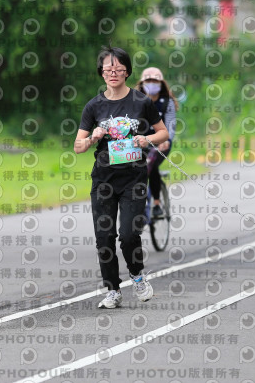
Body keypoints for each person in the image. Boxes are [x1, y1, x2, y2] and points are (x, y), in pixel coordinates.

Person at [74, 46, 169, 308]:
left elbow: (163, 133)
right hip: (103, 179)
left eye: (118, 69)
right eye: (108, 69)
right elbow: (78, 146)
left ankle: (137, 276)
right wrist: (93, 136)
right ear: (101, 73)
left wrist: (146, 138)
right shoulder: (94, 106)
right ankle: (112, 289)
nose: (113, 73)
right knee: (104, 236)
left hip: (133, 178)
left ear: (126, 71)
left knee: (128, 235)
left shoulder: (141, 102)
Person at [135, 67, 178, 218]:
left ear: (160, 83)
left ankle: (157, 203)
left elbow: (171, 124)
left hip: (161, 144)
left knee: (150, 163)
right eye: (148, 81)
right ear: (142, 83)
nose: (151, 83)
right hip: (140, 143)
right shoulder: (136, 100)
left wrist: (167, 140)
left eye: (154, 81)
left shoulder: (167, 102)